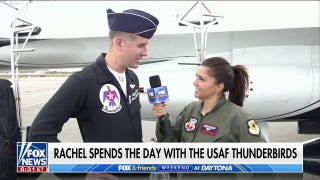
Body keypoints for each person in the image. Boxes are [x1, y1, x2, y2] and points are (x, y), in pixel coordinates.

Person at [28, 8, 159, 180]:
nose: (145, 52)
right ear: (119, 43)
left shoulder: (132, 78)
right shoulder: (84, 81)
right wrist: (79, 172)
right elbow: (39, 135)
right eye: (141, 45)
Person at [153, 57, 266, 179]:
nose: (194, 82)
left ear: (218, 87)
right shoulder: (191, 109)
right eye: (196, 76)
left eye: (201, 79)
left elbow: (265, 164)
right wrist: (162, 118)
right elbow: (169, 143)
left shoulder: (238, 118)